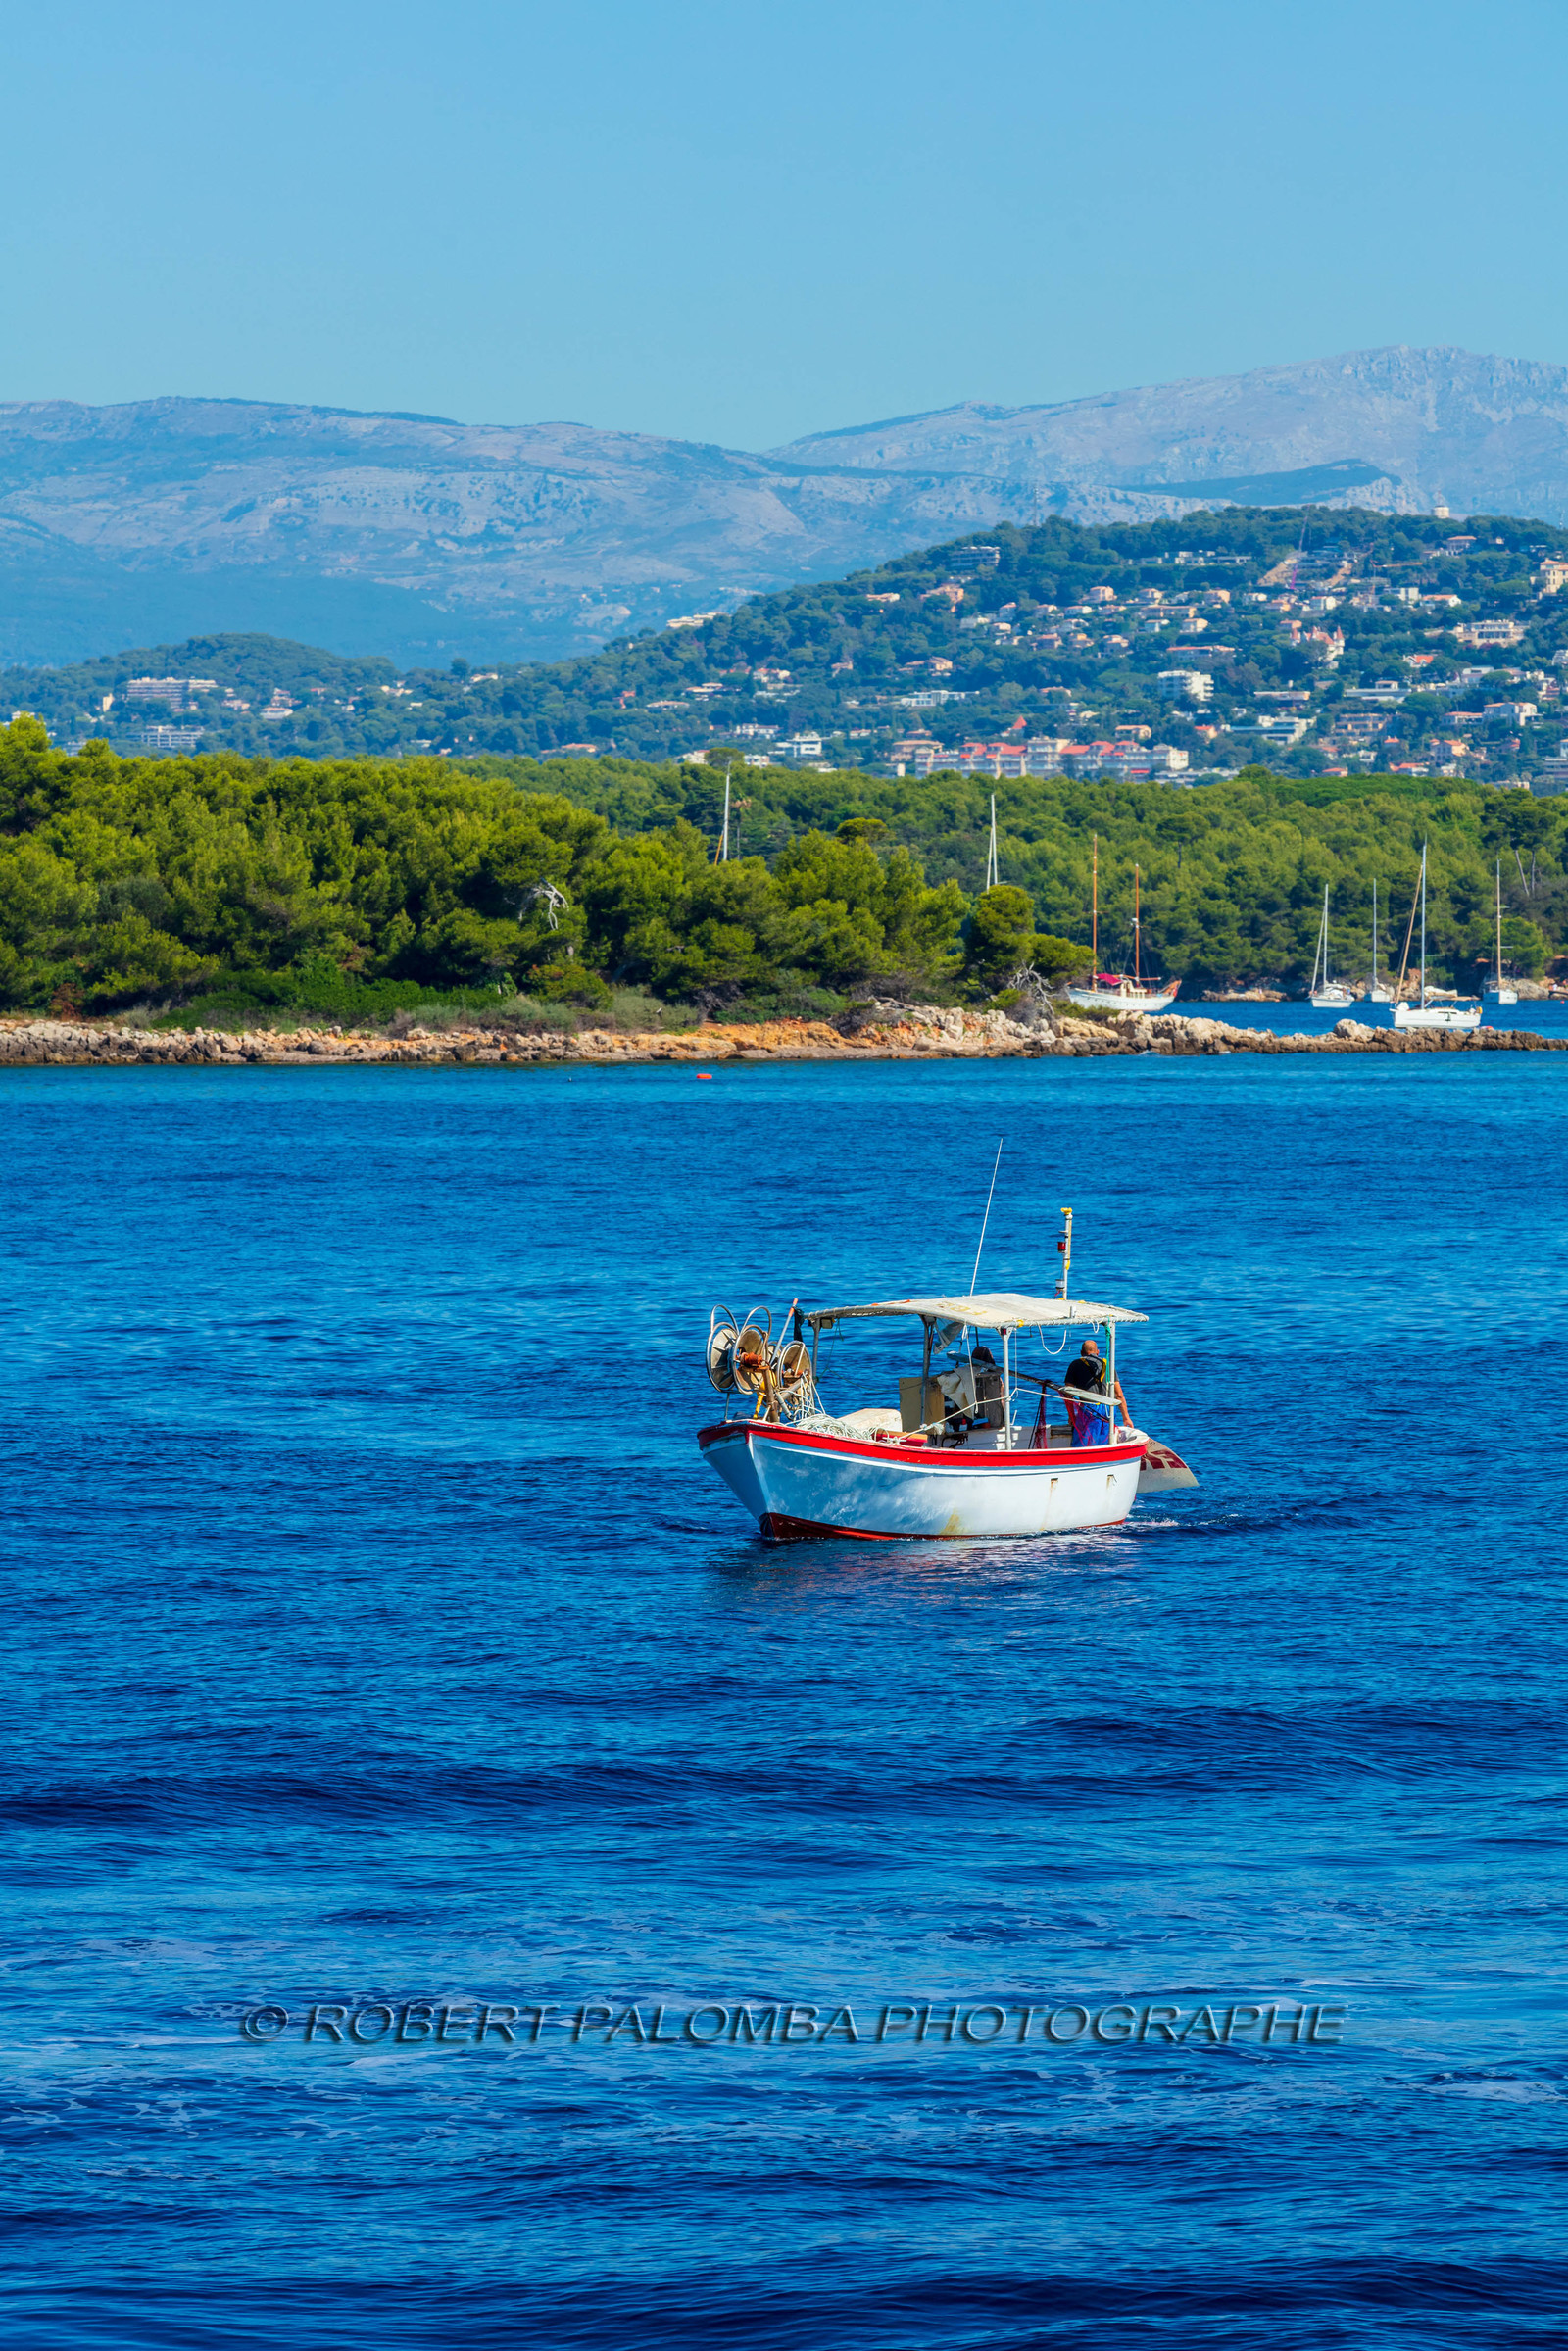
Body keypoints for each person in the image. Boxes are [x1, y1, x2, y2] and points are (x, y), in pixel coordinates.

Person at [1061, 1337, 1128, 1448]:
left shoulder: (1075, 1364)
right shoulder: (1108, 1365)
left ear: (1081, 1353)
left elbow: (1068, 1392)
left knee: (1083, 1442)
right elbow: (1119, 1394)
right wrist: (1126, 1417)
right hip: (1108, 1409)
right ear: (1097, 1352)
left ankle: (1080, 1462)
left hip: (1088, 1409)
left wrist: (1071, 1415)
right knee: (1104, 1442)